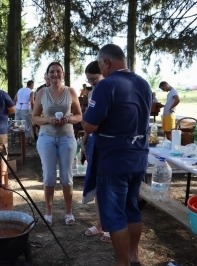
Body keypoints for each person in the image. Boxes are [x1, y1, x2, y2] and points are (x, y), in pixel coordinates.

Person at [81, 44, 151, 266]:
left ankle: (122, 262)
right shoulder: (143, 83)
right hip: (138, 157)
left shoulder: (105, 85)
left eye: (101, 64)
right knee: (132, 207)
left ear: (106, 62)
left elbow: (90, 125)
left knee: (114, 214)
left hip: (114, 161)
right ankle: (133, 255)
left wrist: (84, 117)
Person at [32, 61, 82, 226]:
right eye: (51, 72)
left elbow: (79, 116)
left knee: (67, 179)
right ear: (47, 75)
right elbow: (34, 118)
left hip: (67, 137)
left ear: (63, 74)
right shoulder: (42, 92)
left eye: (58, 71)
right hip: (46, 138)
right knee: (49, 178)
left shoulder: (71, 91)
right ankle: (48, 212)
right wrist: (49, 120)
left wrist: (67, 119)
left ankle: (69, 212)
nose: (55, 74)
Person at [81, 60, 111, 243]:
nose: (92, 82)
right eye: (89, 80)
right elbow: (88, 121)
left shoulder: (109, 90)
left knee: (109, 187)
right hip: (94, 141)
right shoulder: (92, 93)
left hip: (108, 144)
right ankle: (100, 223)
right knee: (98, 186)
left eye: (94, 79)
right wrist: (84, 141)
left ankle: (110, 226)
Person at [14, 80, 35, 145]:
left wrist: (16, 107)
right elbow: (32, 102)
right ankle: (28, 140)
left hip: (18, 108)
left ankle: (19, 140)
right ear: (32, 85)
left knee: (18, 123)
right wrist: (33, 110)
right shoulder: (31, 91)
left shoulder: (20, 90)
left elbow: (14, 99)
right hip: (25, 108)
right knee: (27, 124)